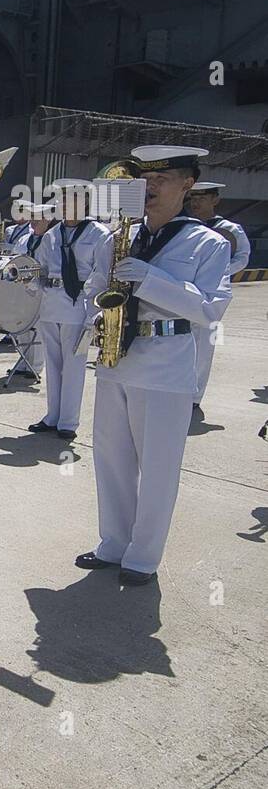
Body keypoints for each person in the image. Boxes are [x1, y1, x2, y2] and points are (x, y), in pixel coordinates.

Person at [76, 145, 231, 585]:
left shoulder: (209, 243)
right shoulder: (117, 235)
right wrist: (94, 309)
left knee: (158, 466)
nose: (150, 189)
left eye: (162, 180)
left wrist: (150, 279)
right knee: (111, 458)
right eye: (144, 180)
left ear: (188, 184)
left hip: (166, 363)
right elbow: (93, 286)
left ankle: (143, 557)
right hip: (115, 359)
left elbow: (209, 309)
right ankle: (113, 543)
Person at [27, 181, 109, 440]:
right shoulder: (52, 235)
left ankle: (68, 422)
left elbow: (103, 274)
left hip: (79, 305)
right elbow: (40, 268)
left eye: (71, 201)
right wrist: (29, 282)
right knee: (53, 364)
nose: (65, 206)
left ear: (84, 203)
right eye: (62, 201)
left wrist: (94, 311)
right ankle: (52, 416)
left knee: (73, 366)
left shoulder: (99, 234)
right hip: (51, 304)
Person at [186, 180, 250, 416]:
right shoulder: (185, 227)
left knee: (205, 344)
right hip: (185, 292)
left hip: (213, 296)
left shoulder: (230, 229)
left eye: (202, 198)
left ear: (215, 200)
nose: (196, 202)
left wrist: (218, 271)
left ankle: (194, 396)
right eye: (193, 198)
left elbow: (242, 258)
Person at [2, 201, 52, 378]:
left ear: (47, 220)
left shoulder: (52, 239)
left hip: (40, 291)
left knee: (36, 329)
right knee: (20, 327)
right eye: (32, 218)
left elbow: (49, 266)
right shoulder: (25, 239)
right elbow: (14, 260)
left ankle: (36, 366)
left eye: (38, 219)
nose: (33, 222)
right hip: (21, 289)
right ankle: (23, 362)